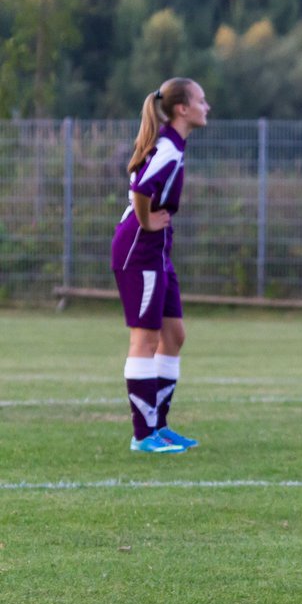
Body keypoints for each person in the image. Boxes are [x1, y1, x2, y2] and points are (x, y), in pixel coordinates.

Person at [110, 78, 210, 454]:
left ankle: (160, 426)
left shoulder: (173, 145)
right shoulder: (168, 147)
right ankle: (143, 435)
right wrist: (148, 221)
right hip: (140, 250)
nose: (207, 107)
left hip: (158, 254)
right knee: (146, 338)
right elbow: (139, 187)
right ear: (182, 108)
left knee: (174, 335)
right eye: (201, 100)